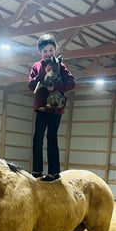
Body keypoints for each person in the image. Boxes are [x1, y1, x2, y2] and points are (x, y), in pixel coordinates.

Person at [27, 33, 75, 181]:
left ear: (56, 49)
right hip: (41, 107)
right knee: (37, 138)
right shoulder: (36, 66)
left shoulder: (61, 66)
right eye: (45, 51)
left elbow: (72, 82)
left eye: (50, 50)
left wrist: (56, 87)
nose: (48, 53)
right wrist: (43, 72)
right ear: (40, 53)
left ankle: (54, 173)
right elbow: (31, 85)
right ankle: (36, 171)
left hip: (55, 107)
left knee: (52, 137)